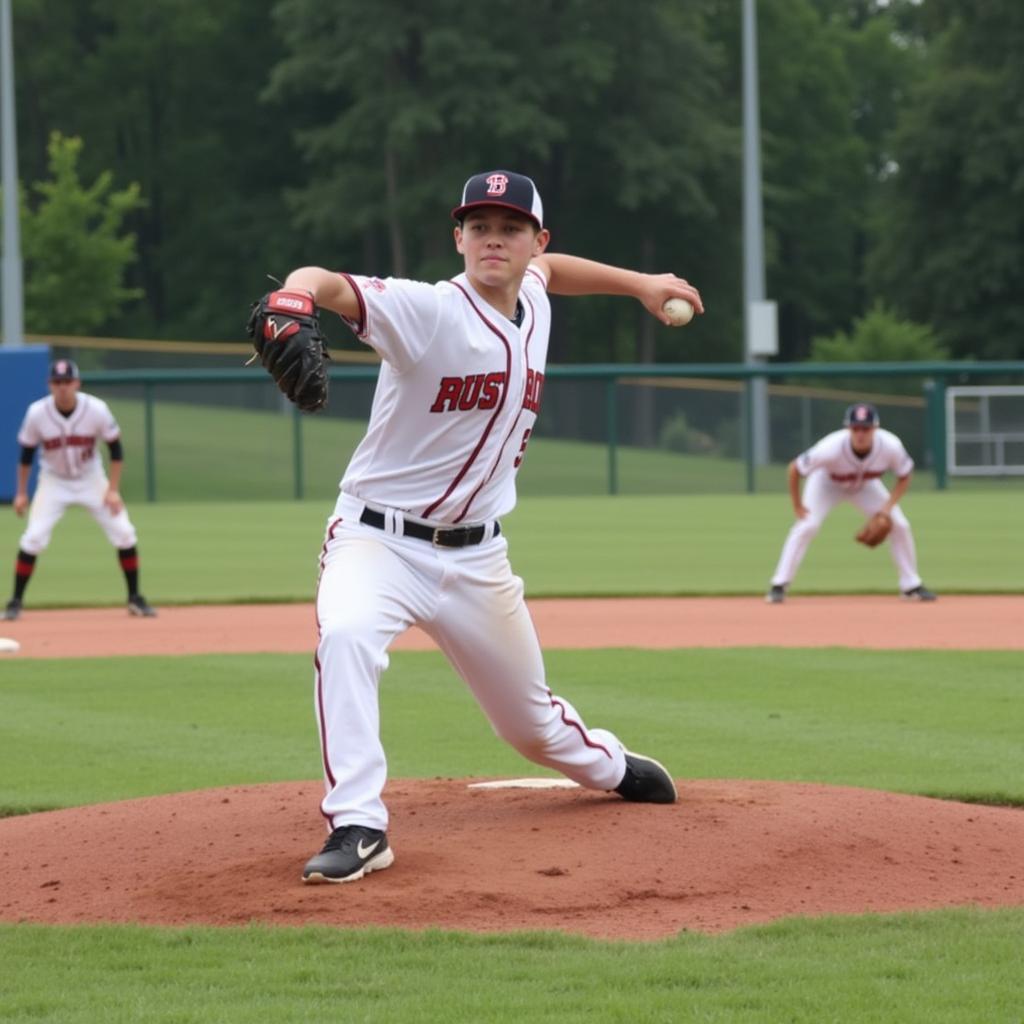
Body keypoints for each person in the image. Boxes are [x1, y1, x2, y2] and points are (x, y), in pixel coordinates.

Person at [268, 169, 705, 884]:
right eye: (478, 228)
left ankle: (611, 765)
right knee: (346, 638)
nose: (492, 240)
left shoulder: (533, 295)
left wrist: (641, 282)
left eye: (509, 229)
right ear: (458, 239)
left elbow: (557, 275)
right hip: (376, 540)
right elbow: (327, 282)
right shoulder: (429, 311)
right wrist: (293, 293)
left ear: (536, 241)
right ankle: (359, 824)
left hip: (478, 560)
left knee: (530, 727)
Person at [2, 359, 156, 621]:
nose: (62, 387)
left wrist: (113, 490)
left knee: (124, 533)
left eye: (67, 382)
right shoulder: (37, 413)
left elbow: (115, 449)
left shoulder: (96, 409)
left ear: (77, 383)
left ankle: (135, 598)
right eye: (57, 382)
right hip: (54, 482)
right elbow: (26, 456)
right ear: (49, 385)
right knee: (33, 538)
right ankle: (15, 602)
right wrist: (20, 493)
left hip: (91, 479)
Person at [765, 401, 937, 604]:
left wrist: (887, 508)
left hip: (865, 486)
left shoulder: (891, 445)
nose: (860, 433)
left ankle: (911, 586)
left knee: (900, 524)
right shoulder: (830, 447)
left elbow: (905, 474)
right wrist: (797, 505)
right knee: (807, 525)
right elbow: (795, 468)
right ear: (848, 429)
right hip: (826, 484)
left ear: (875, 428)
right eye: (856, 428)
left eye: (866, 428)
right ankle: (779, 585)